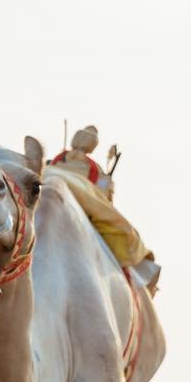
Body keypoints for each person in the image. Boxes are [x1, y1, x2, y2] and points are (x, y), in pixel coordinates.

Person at [46, 125, 160, 293]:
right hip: (83, 205)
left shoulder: (55, 161)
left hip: (51, 196)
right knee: (121, 231)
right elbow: (102, 195)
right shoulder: (93, 168)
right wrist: (108, 186)